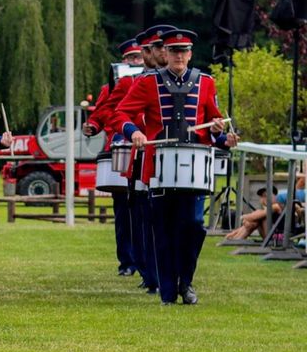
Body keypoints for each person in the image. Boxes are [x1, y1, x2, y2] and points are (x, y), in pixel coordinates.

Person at [113, 28, 238, 305]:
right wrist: (133, 131)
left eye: (184, 51)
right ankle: (169, 291)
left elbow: (214, 123)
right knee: (163, 228)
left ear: (191, 54)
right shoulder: (147, 83)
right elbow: (121, 113)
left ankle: (187, 281)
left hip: (195, 168)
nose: (179, 56)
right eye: (174, 51)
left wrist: (223, 136)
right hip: (158, 166)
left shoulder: (205, 82)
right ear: (165, 53)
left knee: (194, 225)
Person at [83, 37, 146, 276]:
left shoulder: (153, 82)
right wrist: (93, 125)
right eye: (131, 58)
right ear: (124, 61)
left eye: (138, 57)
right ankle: (127, 262)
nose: (135, 61)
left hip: (145, 144)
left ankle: (144, 261)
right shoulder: (112, 86)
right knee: (123, 209)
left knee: (144, 208)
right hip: (120, 146)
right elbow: (102, 112)